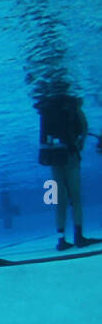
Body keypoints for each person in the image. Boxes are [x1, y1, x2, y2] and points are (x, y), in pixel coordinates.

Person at [38, 94, 97, 250]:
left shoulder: (47, 108)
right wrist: (79, 143)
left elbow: (44, 135)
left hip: (54, 157)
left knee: (59, 200)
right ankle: (79, 237)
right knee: (75, 198)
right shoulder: (73, 105)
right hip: (70, 156)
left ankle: (61, 239)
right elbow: (84, 128)